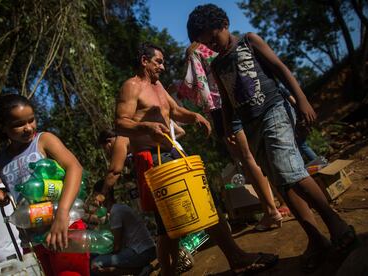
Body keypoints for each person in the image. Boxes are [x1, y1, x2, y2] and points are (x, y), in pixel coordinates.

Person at [187, 4, 357, 272]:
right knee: (281, 182)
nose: (212, 45)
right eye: (206, 43)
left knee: (288, 169)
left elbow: (280, 68)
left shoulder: (249, 41)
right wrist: (231, 128)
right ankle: (316, 238)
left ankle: (338, 226)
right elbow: (228, 100)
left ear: (224, 23)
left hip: (275, 110)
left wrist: (301, 100)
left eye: (213, 38)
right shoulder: (217, 65)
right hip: (251, 124)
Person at [114, 42, 278, 275]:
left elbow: (175, 111)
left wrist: (195, 116)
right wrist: (146, 127)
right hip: (151, 160)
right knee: (170, 223)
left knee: (200, 205)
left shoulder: (158, 85)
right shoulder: (131, 87)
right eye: (158, 61)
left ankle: (235, 258)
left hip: (172, 153)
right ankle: (233, 259)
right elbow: (120, 122)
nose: (162, 66)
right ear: (144, 61)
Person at [178, 41, 284, 231]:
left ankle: (271, 212)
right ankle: (284, 202)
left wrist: (177, 89)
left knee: (246, 158)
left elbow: (196, 86)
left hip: (221, 108)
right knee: (260, 152)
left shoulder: (194, 52)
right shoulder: (222, 45)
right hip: (244, 99)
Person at [0, 94, 89, 276]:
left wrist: (62, 214)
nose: (28, 128)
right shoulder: (3, 157)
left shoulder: (44, 140)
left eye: (31, 120)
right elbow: (21, 185)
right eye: (19, 124)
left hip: (63, 227)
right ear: (2, 126)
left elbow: (74, 167)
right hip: (33, 239)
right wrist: (4, 193)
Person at [91, 180, 156, 275]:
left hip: (141, 252)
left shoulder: (116, 212)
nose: (95, 199)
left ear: (106, 195)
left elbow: (116, 247)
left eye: (96, 195)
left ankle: (139, 271)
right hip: (141, 250)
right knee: (95, 256)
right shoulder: (115, 210)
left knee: (95, 263)